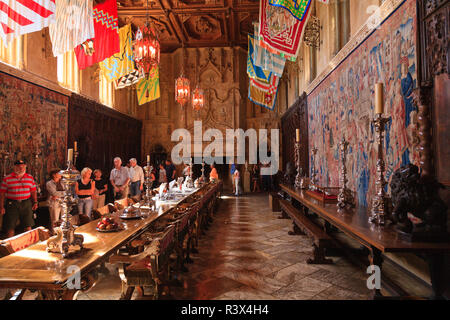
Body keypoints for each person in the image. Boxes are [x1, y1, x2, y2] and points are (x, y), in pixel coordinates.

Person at [0, 160, 38, 238]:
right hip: (12, 204)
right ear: (14, 167)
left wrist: (35, 202)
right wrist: (2, 207)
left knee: (28, 225)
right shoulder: (7, 178)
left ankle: (29, 244)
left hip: (26, 203)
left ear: (25, 167)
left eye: (22, 166)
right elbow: (2, 194)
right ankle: (9, 247)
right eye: (18, 166)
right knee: (10, 226)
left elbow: (33, 191)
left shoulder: (30, 177)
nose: (20, 168)